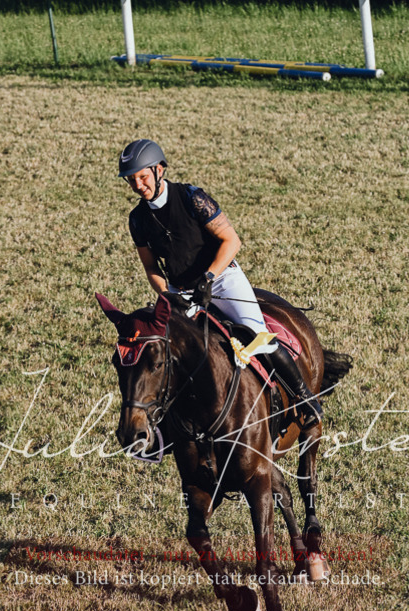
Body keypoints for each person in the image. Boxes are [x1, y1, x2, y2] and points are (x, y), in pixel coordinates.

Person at [118, 139, 322, 426]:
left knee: (256, 334)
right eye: (131, 180)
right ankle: (161, 428)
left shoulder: (192, 198)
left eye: (142, 176)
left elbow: (231, 240)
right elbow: (151, 267)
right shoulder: (137, 219)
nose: (138, 185)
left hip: (222, 279)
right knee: (160, 348)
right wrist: (168, 294)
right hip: (180, 291)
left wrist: (209, 278)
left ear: (159, 169)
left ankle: (304, 398)